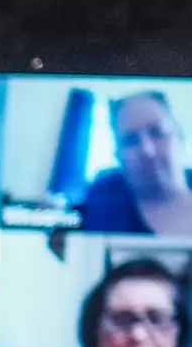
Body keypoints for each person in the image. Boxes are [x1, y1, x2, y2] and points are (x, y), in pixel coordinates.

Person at [61, 258, 192, 347]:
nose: (138, 335)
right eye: (122, 320)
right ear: (94, 328)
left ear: (179, 330)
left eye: (155, 319)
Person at [78, 91, 192, 237]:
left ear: (180, 136)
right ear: (118, 154)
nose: (147, 150)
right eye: (131, 140)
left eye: (158, 132)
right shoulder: (98, 207)